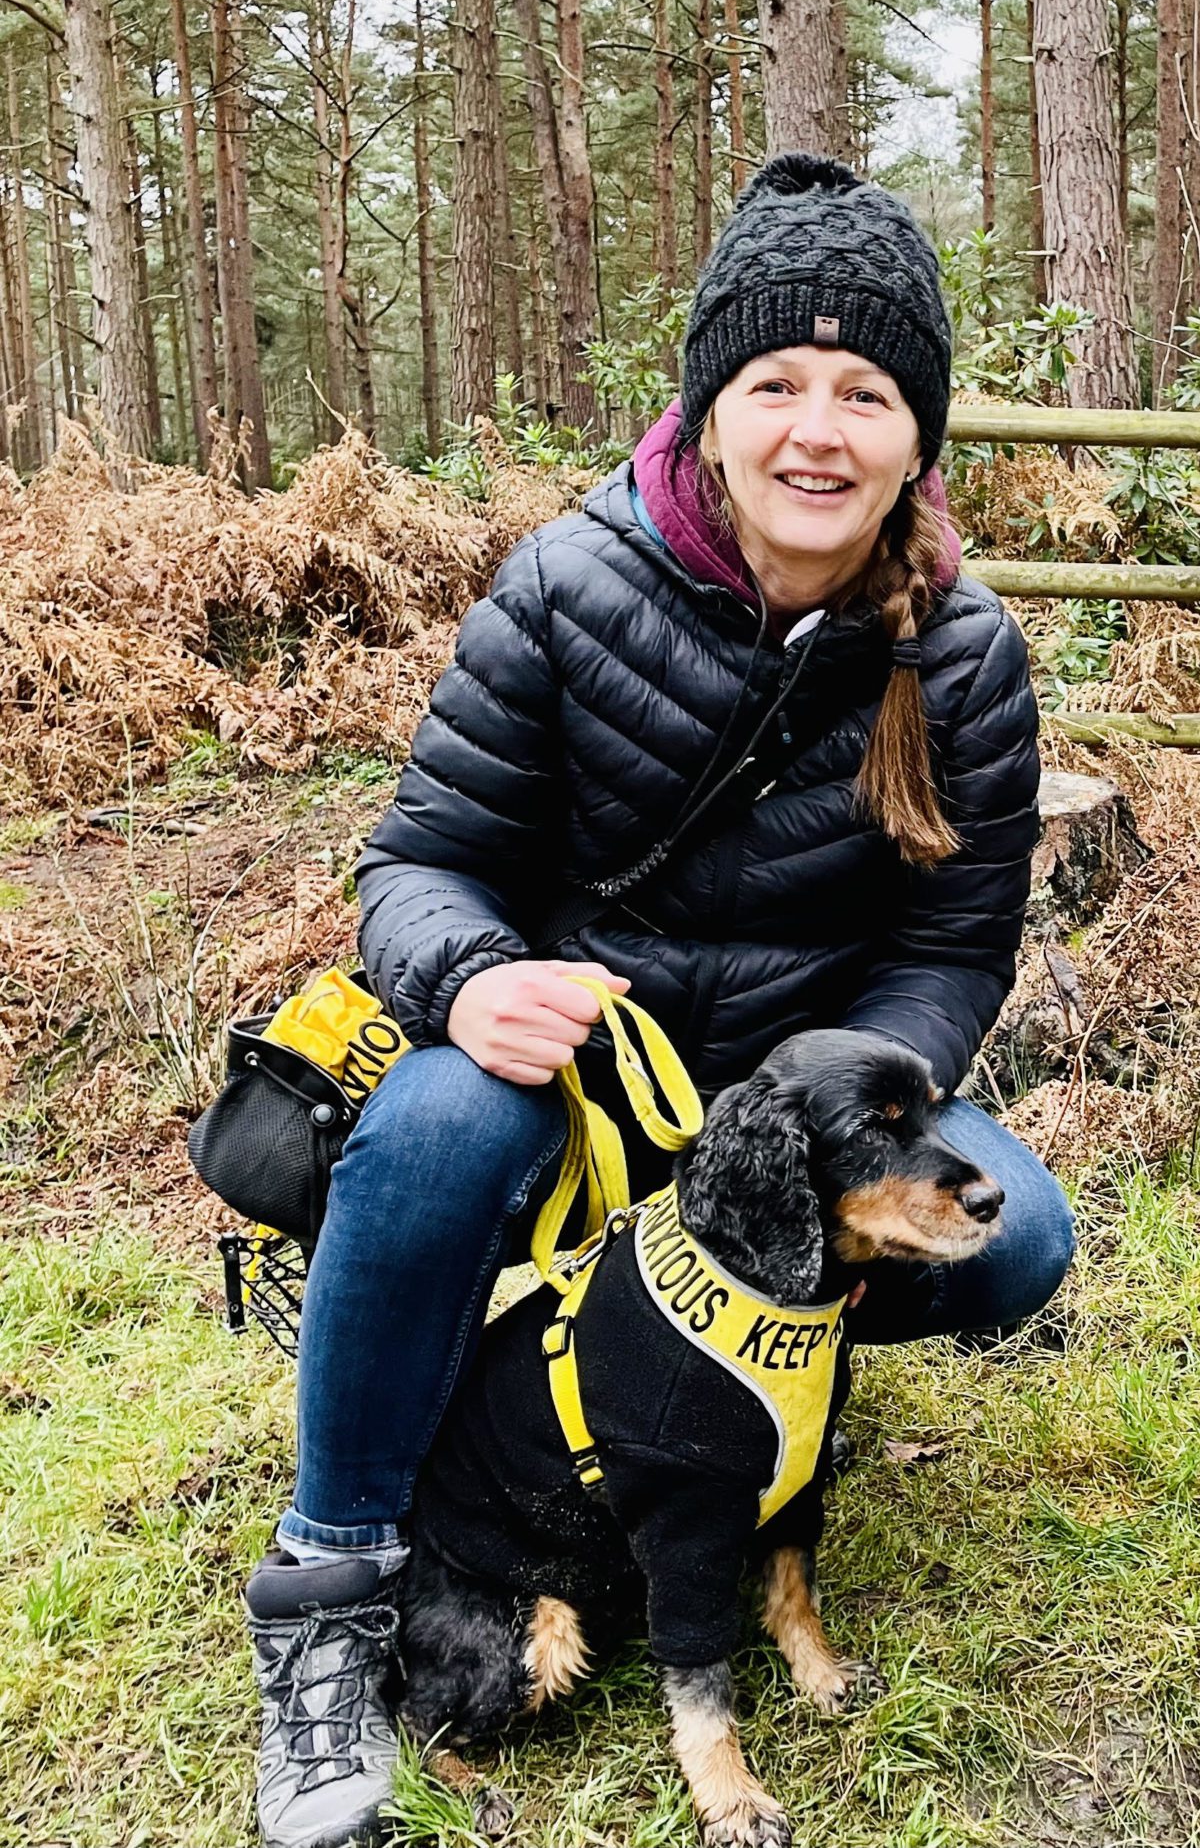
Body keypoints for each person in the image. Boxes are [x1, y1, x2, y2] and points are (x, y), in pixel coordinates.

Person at [240, 155, 1068, 1848]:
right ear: (708, 408)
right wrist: (476, 982)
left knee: (1027, 1234)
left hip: (781, 1106)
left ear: (920, 438)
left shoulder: (962, 655)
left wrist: (842, 1095)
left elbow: (957, 944)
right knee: (430, 1121)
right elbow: (414, 862)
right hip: (574, 1086)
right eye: (774, 384)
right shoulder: (564, 585)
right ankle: (333, 1589)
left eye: (867, 392)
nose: (817, 431)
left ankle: (691, 1420)